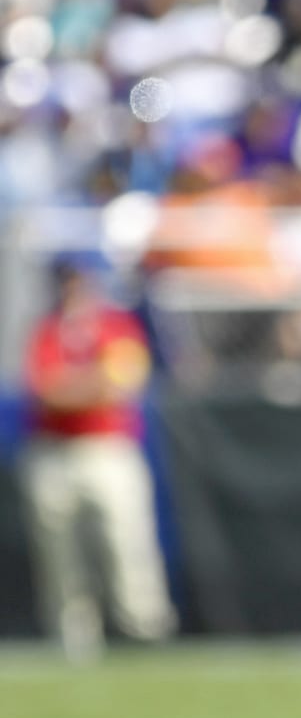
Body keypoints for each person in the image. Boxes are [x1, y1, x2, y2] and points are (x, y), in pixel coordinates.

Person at [20, 256, 177, 660]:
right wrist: (92, 383)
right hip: (55, 450)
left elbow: (123, 384)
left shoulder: (116, 327)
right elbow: (46, 390)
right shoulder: (47, 331)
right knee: (60, 552)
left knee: (126, 543)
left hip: (108, 448)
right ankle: (74, 637)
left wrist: (77, 386)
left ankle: (144, 629)